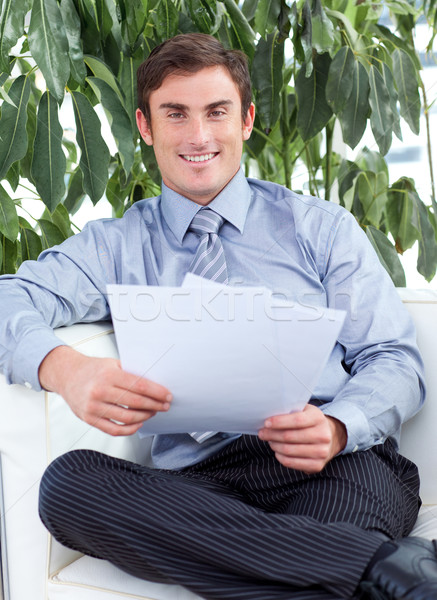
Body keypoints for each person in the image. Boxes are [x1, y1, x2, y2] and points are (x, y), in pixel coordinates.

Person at [1, 32, 437, 600]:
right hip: (198, 487)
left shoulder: (320, 228)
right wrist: (65, 370)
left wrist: (338, 426)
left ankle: (338, 563)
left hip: (334, 466)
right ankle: (378, 565)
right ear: (145, 126)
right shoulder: (116, 245)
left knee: (330, 528)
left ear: (247, 119)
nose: (199, 136)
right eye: (175, 114)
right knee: (67, 488)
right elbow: (10, 296)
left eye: (217, 112)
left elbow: (396, 359)